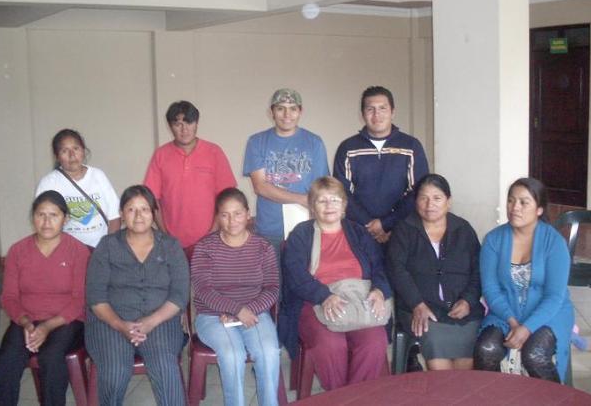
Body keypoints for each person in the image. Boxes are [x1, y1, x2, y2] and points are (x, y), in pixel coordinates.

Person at [279, 176, 392, 391]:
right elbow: (295, 275)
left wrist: (379, 290)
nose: (329, 205)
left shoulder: (359, 232)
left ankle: (354, 397)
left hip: (359, 300)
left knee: (375, 341)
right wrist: (324, 296)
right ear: (313, 207)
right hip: (314, 301)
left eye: (334, 200)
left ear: (344, 205)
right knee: (331, 345)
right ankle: (340, 396)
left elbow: (380, 266)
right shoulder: (301, 234)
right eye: (322, 201)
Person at [85, 185, 189, 405]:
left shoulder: (170, 246)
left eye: (144, 209)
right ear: (122, 214)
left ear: (154, 213)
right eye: (131, 209)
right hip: (111, 321)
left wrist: (151, 321)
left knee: (165, 368)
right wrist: (120, 325)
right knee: (115, 371)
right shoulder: (107, 246)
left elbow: (180, 295)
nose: (139, 215)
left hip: (160, 320)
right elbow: (96, 297)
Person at [0, 190, 90, 406]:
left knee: (51, 356)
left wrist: (47, 327)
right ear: (33, 218)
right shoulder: (18, 251)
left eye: (53, 215)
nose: (46, 222)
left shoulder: (77, 251)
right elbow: (9, 297)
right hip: (26, 320)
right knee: (7, 359)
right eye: (41, 215)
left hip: (67, 320)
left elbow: (79, 299)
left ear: (65, 219)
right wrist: (26, 323)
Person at [474, 177, 573, 383]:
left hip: (548, 313)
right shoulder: (493, 240)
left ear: (539, 209)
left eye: (523, 202)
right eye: (511, 200)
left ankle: (554, 398)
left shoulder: (554, 243)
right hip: (505, 312)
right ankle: (496, 397)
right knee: (486, 349)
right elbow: (490, 289)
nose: (515, 208)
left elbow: (554, 296)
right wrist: (512, 322)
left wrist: (526, 328)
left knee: (535, 354)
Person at [191, 188, 280, 406]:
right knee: (232, 355)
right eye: (225, 215)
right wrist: (236, 310)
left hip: (254, 313)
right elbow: (203, 289)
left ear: (248, 214)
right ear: (217, 217)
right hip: (213, 316)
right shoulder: (205, 248)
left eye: (238, 213)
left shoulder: (263, 247)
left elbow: (272, 288)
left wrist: (246, 311)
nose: (232, 221)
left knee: (268, 352)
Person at [387, 174, 483, 370]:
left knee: (468, 359)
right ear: (416, 201)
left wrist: (467, 301)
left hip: (463, 311)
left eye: (437, 198)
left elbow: (479, 270)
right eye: (423, 198)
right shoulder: (404, 230)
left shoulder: (463, 230)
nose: (430, 204)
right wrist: (417, 304)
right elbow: (397, 270)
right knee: (437, 352)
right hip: (421, 310)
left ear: (448, 201)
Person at [333, 86, 429, 245]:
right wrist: (370, 225)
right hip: (359, 232)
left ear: (393, 112)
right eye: (370, 109)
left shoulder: (411, 146)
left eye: (382, 108)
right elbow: (341, 193)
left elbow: (419, 191)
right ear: (362, 114)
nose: (376, 115)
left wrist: (386, 223)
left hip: (402, 232)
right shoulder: (348, 148)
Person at [144, 101, 236, 254]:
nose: (184, 129)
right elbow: (152, 199)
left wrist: (213, 232)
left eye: (189, 122)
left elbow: (227, 197)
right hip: (172, 244)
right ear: (170, 126)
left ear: (196, 123)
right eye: (178, 124)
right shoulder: (161, 155)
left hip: (211, 240)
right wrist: (166, 235)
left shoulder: (214, 152)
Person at [243, 88, 329, 250]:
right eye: (280, 108)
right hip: (269, 230)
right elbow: (260, 186)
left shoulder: (314, 142)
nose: (287, 115)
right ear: (272, 112)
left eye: (293, 109)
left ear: (300, 112)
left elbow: (321, 187)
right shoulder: (256, 142)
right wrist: (302, 199)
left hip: (306, 227)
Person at [36, 129, 120, 248]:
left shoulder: (98, 176)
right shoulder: (49, 183)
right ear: (57, 156)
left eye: (76, 149)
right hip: (67, 251)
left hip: (100, 250)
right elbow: (43, 222)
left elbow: (114, 216)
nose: (72, 155)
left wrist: (108, 248)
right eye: (65, 151)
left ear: (83, 151)